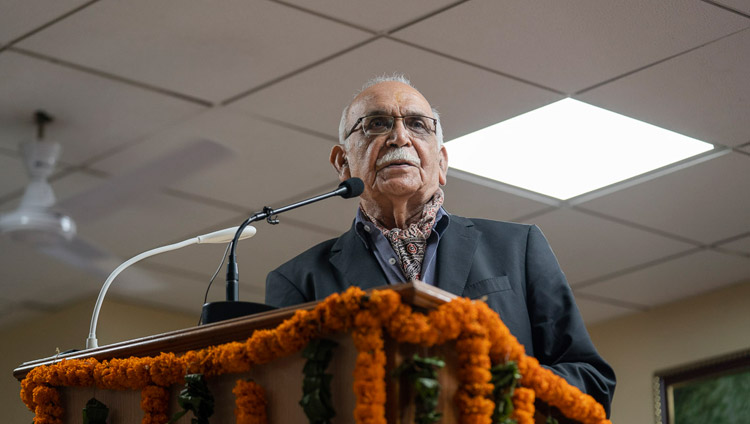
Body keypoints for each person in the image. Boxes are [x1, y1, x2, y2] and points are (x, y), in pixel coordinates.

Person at [265, 75, 616, 414]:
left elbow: (591, 381)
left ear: (442, 162)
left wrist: (488, 388)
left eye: (418, 124)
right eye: (376, 124)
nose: (399, 136)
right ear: (343, 163)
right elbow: (287, 403)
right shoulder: (300, 280)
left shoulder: (517, 248)